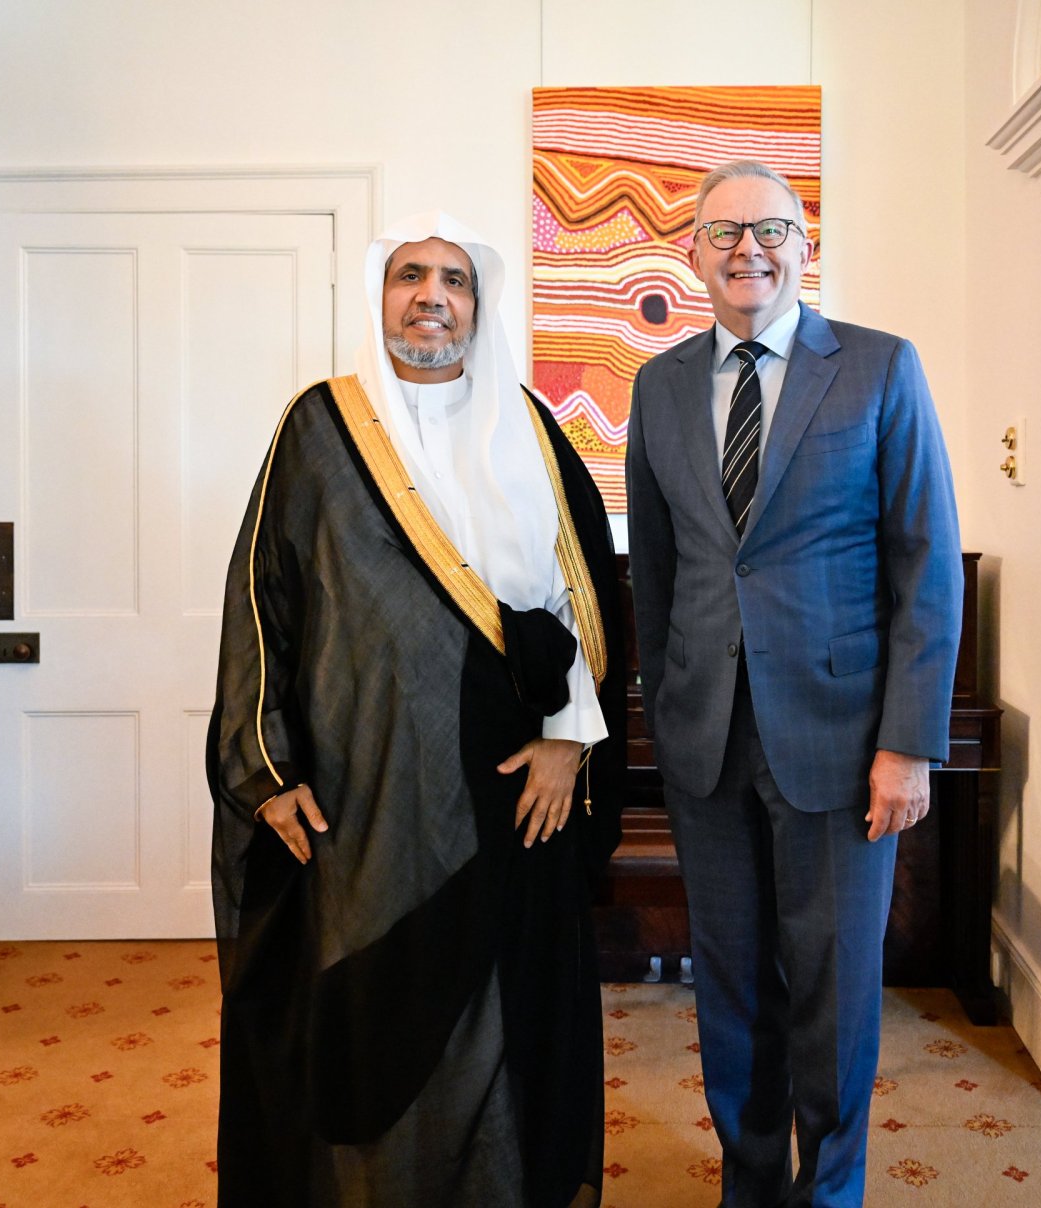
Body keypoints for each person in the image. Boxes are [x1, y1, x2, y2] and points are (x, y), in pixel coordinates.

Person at [208, 211, 625, 1208]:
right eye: (408, 276)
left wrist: (568, 741)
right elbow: (262, 596)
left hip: (514, 788)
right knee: (371, 1004)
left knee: (500, 1007)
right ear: (378, 294)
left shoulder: (529, 428)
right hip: (363, 793)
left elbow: (587, 606)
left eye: (452, 279)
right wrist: (265, 772)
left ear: (478, 304)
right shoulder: (320, 425)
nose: (430, 296)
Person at [625, 160, 962, 1208]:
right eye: (722, 233)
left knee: (829, 990)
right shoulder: (660, 384)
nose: (745, 250)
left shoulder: (876, 368)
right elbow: (659, 567)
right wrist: (664, 705)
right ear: (691, 253)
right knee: (730, 985)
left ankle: (832, 1186)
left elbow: (926, 564)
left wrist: (906, 742)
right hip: (706, 744)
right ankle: (750, 1178)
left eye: (768, 229)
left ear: (801, 247)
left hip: (840, 742)